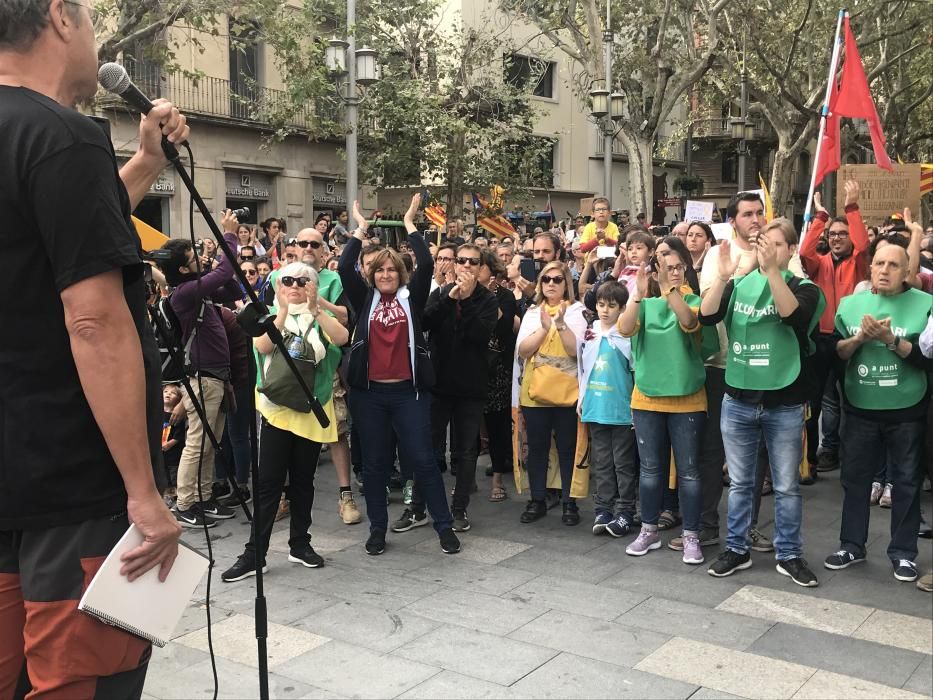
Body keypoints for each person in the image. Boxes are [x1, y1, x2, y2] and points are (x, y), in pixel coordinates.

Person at [0, 0, 187, 694]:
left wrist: (143, 162)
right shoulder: (64, 136)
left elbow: (51, 238)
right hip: (71, 492)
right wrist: (144, 494)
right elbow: (93, 322)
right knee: (76, 683)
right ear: (59, 17)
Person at [700, 218, 824, 587]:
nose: (767, 249)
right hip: (738, 399)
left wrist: (771, 272)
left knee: (785, 485)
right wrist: (723, 276)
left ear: (789, 249)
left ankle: (789, 554)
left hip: (784, 403)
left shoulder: (805, 289)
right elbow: (707, 315)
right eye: (762, 243)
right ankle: (736, 548)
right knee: (740, 483)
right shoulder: (738, 285)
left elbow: (792, 315)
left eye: (775, 244)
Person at [338, 196, 461, 556]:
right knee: (375, 466)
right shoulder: (364, 300)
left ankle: (443, 526)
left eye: (392, 270)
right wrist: (361, 228)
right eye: (380, 270)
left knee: (423, 460)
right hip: (370, 395)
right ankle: (378, 529)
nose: (386, 275)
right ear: (372, 275)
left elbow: (425, 262)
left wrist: (410, 222)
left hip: (409, 394)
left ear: (400, 273)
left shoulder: (413, 298)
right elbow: (346, 266)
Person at [221, 262, 349, 581]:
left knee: (304, 482)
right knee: (268, 485)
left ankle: (300, 543)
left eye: (302, 281)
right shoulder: (266, 313)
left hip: (311, 408)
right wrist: (280, 309)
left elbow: (342, 338)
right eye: (287, 280)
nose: (294, 285)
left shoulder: (320, 315)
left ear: (313, 285)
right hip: (276, 411)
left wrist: (316, 307)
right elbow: (263, 345)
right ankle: (255, 553)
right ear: (278, 285)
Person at [824, 225, 932, 584]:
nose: (885, 270)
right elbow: (836, 353)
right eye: (879, 264)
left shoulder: (925, 305)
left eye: (894, 265)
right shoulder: (851, 305)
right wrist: (858, 339)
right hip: (860, 407)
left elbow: (926, 359)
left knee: (905, 482)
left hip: (907, 409)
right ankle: (851, 545)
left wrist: (890, 340)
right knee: (855, 481)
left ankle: (903, 553)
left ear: (907, 273)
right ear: (870, 269)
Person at [619, 240, 708, 564]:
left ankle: (691, 536)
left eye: (676, 267)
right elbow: (625, 328)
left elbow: (688, 322)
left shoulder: (694, 300)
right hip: (647, 398)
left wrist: (669, 289)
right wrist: (639, 293)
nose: (670, 272)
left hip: (688, 399)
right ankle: (649, 529)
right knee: (651, 471)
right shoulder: (644, 302)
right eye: (664, 267)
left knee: (689, 472)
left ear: (685, 268)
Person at [158, 218, 242, 528]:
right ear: (182, 270)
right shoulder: (184, 293)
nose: (200, 259)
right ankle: (184, 503)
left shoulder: (198, 290)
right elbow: (226, 271)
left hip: (217, 375)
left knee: (211, 441)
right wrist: (229, 236)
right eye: (194, 259)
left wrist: (210, 267)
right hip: (203, 376)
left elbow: (230, 285)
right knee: (198, 442)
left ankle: (203, 497)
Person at [419, 243, 499, 531]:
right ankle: (418, 507)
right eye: (461, 260)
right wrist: (449, 298)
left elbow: (478, 335)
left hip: (471, 388)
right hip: (439, 384)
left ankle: (459, 509)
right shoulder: (441, 293)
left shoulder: (488, 300)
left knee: (465, 452)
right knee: (428, 447)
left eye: (472, 262)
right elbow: (424, 322)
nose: (466, 266)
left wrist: (464, 302)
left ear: (480, 268)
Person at [800, 181, 869, 475]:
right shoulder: (820, 264)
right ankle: (816, 457)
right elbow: (804, 252)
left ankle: (854, 455)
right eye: (833, 234)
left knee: (854, 399)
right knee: (817, 401)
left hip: (853, 339)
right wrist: (820, 218)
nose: (837, 238)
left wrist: (852, 208)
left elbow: (864, 244)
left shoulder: (861, 262)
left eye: (843, 233)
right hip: (821, 339)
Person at [513, 261, 587, 525]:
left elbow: (575, 351)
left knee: (568, 448)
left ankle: (570, 502)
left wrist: (561, 324)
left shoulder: (577, 311)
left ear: (566, 282)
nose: (551, 284)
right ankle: (537, 499)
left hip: (568, 391)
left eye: (557, 279)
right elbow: (522, 350)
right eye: (546, 279)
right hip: (535, 391)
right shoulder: (533, 313)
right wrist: (544, 329)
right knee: (537, 447)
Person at [578, 282, 637, 538]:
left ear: (623, 308)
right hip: (596, 406)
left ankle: (625, 510)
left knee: (623, 463)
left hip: (621, 409)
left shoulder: (626, 335)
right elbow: (584, 370)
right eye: (601, 305)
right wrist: (582, 400)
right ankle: (603, 508)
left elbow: (635, 371)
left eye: (611, 306)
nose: (605, 310)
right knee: (601, 462)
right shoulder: (590, 333)